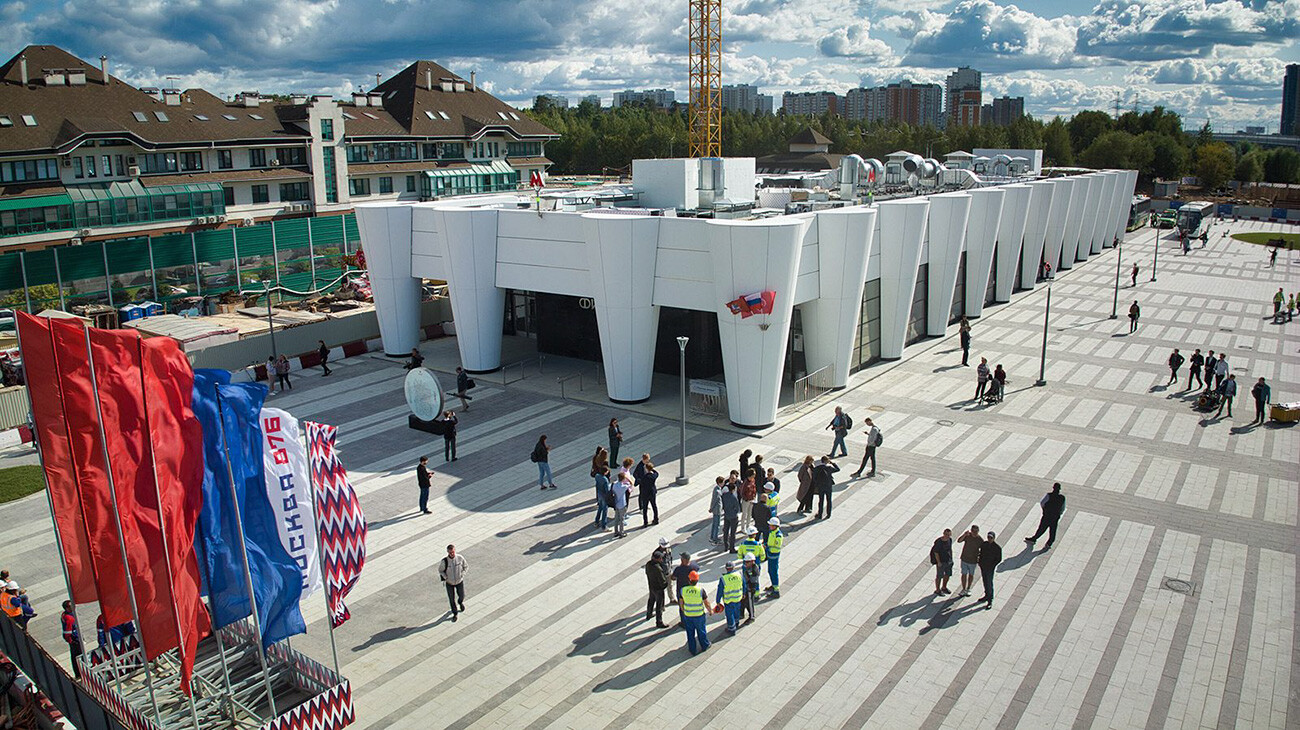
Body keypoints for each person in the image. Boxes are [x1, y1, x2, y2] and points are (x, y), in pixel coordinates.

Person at [679, 571, 713, 655]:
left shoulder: (683, 590)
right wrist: (710, 611)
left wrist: (684, 610)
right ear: (697, 581)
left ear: (689, 580)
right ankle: (705, 645)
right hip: (699, 616)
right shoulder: (700, 590)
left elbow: (681, 602)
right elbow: (706, 603)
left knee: (690, 633)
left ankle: (692, 649)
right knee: (701, 631)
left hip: (688, 615)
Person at [1025, 482, 1066, 549]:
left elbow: (1042, 503)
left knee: (1041, 528)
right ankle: (1049, 543)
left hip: (1047, 515)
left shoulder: (1049, 495)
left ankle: (1034, 538)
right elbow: (1063, 508)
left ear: (1053, 488)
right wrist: (1059, 514)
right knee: (1053, 530)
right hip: (1055, 517)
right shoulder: (1062, 498)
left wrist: (1044, 510)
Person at [438, 544, 467, 622]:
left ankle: (460, 602)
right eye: (450, 552)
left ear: (455, 551)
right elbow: (440, 570)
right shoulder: (445, 561)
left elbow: (465, 566)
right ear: (447, 552)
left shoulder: (460, 558)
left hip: (459, 581)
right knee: (451, 599)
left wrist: (462, 574)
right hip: (449, 583)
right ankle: (455, 613)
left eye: (453, 552)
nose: (452, 554)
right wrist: (445, 577)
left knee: (462, 595)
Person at [716, 562, 745, 634]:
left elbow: (720, 591)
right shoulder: (739, 575)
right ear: (734, 567)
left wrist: (718, 601)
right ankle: (736, 622)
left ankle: (732, 629)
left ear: (726, 568)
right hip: (738, 598)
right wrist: (744, 593)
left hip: (728, 600)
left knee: (729, 614)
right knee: (737, 611)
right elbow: (744, 585)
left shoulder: (723, 579)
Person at [956, 525, 983, 598]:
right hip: (964, 558)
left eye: (976, 531)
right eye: (973, 531)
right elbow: (959, 540)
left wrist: (978, 557)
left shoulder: (980, 539)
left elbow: (983, 550)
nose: (974, 533)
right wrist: (964, 535)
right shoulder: (968, 536)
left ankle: (968, 588)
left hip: (973, 561)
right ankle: (963, 588)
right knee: (964, 574)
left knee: (971, 575)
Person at [644, 550, 669, 628]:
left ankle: (649, 614)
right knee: (659, 605)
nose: (661, 560)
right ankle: (659, 621)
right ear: (657, 559)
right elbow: (662, 581)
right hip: (658, 589)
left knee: (651, 600)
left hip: (651, 586)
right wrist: (666, 583)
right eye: (660, 558)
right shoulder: (658, 568)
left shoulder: (648, 564)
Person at [978, 531, 1003, 609]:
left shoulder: (997, 548)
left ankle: (990, 600)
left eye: (991, 538)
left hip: (990, 568)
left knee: (989, 582)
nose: (989, 539)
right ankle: (986, 595)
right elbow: (980, 553)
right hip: (983, 566)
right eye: (988, 537)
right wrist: (980, 562)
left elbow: (998, 559)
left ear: (994, 538)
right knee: (985, 581)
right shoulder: (984, 544)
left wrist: (992, 566)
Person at [672, 553, 700, 621]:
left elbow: (673, 577)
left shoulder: (679, 569)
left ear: (683, 560)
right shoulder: (693, 565)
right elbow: (697, 569)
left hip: (681, 590)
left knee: (682, 606)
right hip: (691, 589)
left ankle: (684, 622)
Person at [813, 456, 839, 520]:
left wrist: (817, 484)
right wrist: (833, 463)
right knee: (829, 500)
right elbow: (838, 469)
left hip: (821, 487)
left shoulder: (817, 468)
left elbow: (814, 478)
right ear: (826, 461)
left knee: (821, 501)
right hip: (828, 486)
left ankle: (820, 515)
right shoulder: (829, 468)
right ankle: (828, 514)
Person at [764, 517, 784, 598]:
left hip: (774, 556)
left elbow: (776, 547)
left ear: (775, 526)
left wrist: (767, 547)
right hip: (770, 555)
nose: (769, 526)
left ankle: (776, 591)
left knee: (773, 572)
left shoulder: (778, 535)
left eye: (771, 525)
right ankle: (773, 585)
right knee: (770, 571)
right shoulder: (772, 532)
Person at [60, 601, 81, 678]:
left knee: (75, 656)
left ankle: (79, 673)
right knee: (77, 657)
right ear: (67, 608)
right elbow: (68, 631)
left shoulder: (65, 615)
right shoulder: (69, 618)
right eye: (70, 606)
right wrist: (70, 640)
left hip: (74, 638)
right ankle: (79, 674)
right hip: (74, 639)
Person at [930, 529, 953, 596]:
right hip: (941, 562)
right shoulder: (939, 542)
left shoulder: (950, 540)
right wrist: (938, 562)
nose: (947, 536)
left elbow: (950, 549)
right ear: (943, 533)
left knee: (948, 574)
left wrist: (951, 558)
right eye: (946, 534)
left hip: (948, 561)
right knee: (939, 576)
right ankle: (937, 590)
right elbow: (936, 552)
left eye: (949, 535)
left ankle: (944, 587)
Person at [740, 553, 761, 623]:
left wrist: (749, 587)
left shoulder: (754, 569)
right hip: (745, 587)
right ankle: (741, 614)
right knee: (742, 601)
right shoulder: (747, 567)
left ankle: (751, 616)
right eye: (745, 562)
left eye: (747, 562)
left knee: (749, 603)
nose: (746, 563)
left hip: (750, 588)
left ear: (752, 561)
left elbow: (753, 580)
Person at [637, 461, 660, 527]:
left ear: (647, 469)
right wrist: (652, 469)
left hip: (645, 494)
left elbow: (641, 483)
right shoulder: (654, 476)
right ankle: (656, 519)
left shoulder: (644, 477)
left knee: (645, 508)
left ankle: (645, 522)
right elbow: (656, 473)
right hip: (652, 492)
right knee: (654, 506)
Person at [721, 481, 741, 553]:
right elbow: (737, 508)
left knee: (726, 531)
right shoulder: (734, 498)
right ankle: (732, 548)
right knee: (732, 533)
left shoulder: (724, 495)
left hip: (726, 515)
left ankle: (726, 546)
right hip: (733, 517)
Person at [612, 472, 632, 538]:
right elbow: (630, 484)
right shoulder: (624, 487)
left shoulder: (614, 485)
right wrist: (627, 478)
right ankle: (621, 532)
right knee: (622, 519)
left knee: (616, 518)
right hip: (622, 504)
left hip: (616, 503)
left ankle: (616, 532)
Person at [738, 468, 757, 534]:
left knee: (749, 514)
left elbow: (754, 488)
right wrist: (745, 498)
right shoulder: (745, 483)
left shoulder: (753, 481)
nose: (754, 476)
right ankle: (743, 528)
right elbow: (741, 492)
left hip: (752, 500)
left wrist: (754, 496)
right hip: (746, 501)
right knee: (744, 514)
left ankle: (748, 526)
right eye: (753, 475)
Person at [593, 465, 611, 531]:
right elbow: (607, 490)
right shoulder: (605, 480)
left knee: (600, 508)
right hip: (604, 496)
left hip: (599, 494)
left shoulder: (597, 476)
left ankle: (596, 521)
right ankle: (604, 526)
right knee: (605, 510)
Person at [708, 477, 725, 544]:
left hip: (717, 510)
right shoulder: (717, 491)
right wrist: (711, 508)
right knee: (717, 525)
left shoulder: (717, 489)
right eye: (723, 482)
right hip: (717, 510)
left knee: (714, 524)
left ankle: (712, 537)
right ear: (720, 483)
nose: (724, 483)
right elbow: (714, 501)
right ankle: (715, 538)